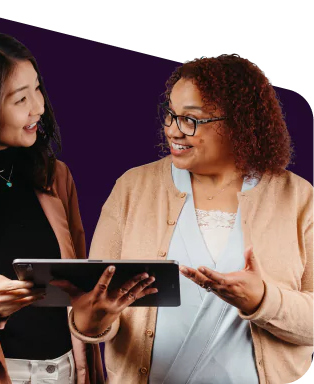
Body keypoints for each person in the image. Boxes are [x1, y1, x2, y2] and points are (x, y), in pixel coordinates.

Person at [55, 54, 314, 383]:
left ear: (239, 123)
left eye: (191, 120)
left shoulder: (298, 197)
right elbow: (95, 298)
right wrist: (92, 321)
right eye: (171, 115)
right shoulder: (133, 188)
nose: (173, 131)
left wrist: (261, 299)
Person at [0, 30, 112, 384]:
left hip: (70, 371)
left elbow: (77, 289)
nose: (39, 108)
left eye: (38, 89)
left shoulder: (55, 176)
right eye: (19, 99)